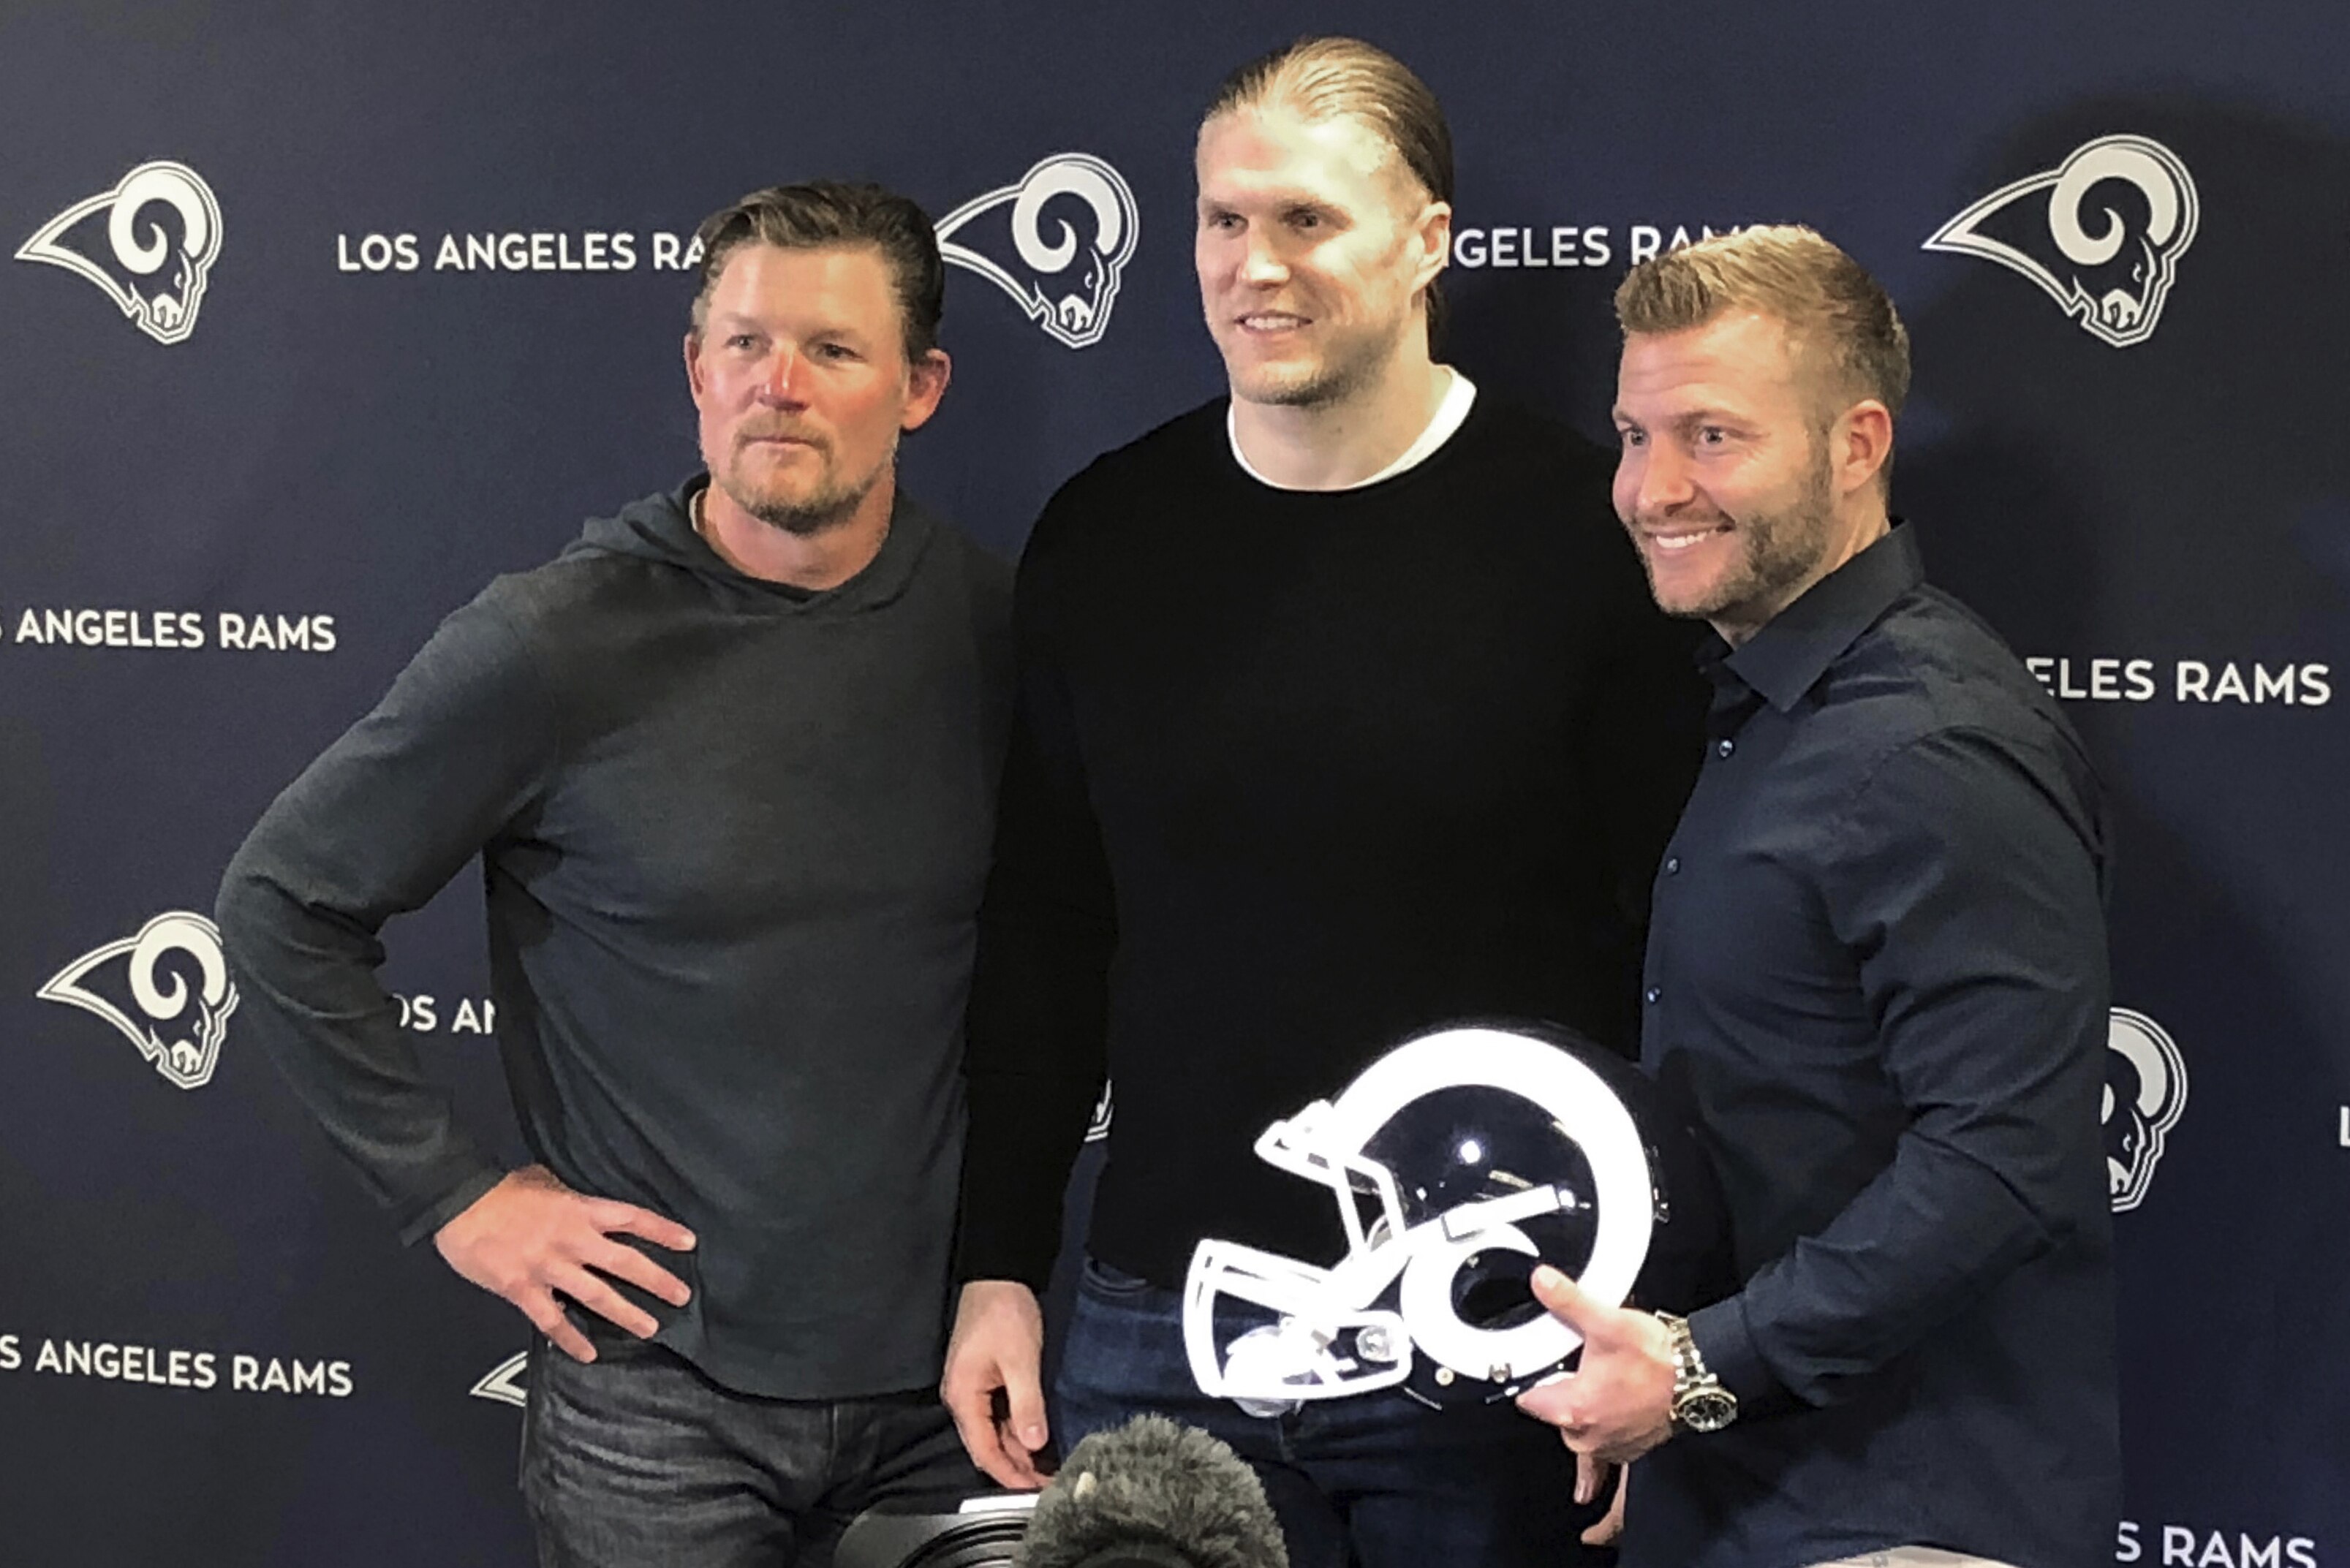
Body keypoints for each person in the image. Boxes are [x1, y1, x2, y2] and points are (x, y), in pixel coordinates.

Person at [939, 36, 1704, 1568]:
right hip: (1164, 1324)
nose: (1250, 265)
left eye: (1304, 220)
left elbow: (1678, 947)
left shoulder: (1589, 535)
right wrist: (998, 1261)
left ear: (1427, 241)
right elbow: (1045, 926)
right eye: (1223, 220)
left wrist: (1661, 1318)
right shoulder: (1105, 532)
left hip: (1494, 1330)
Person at [216, 181, 1010, 1567]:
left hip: (951, 1383)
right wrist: (457, 1197)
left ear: (920, 387)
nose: (781, 387)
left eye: (833, 350)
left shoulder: (998, 628)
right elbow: (282, 904)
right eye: (747, 344)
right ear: (696, 371)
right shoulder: (554, 641)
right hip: (656, 1403)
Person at [1515, 226, 2120, 1568]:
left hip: (1902, 1522)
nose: (1651, 488)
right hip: (1749, 1498)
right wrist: (1674, 1408)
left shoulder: (1929, 746)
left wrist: (1690, 1370)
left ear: (1857, 445)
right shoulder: (1770, 712)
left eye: (1712, 437)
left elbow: (2001, 1162)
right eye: (1631, 434)